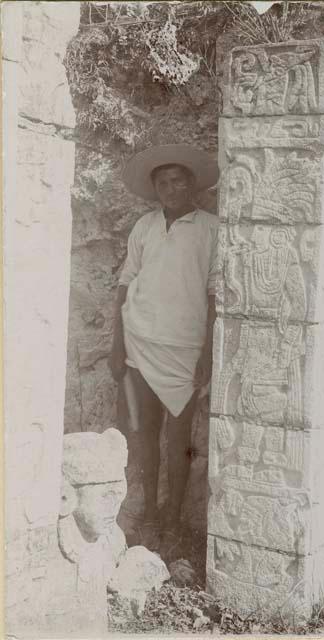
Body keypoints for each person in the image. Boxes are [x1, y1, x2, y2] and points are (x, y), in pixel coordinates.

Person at [109, 144, 219, 561]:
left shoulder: (211, 228)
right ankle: (150, 513)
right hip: (139, 345)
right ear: (155, 190)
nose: (171, 188)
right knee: (143, 437)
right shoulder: (145, 226)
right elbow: (124, 284)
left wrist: (207, 352)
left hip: (183, 350)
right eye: (163, 183)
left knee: (179, 441)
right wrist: (117, 342)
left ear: (192, 184)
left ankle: (174, 518)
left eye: (178, 180)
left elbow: (214, 293)